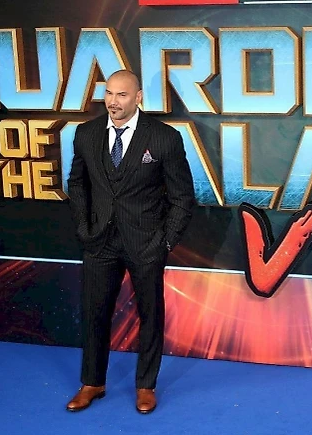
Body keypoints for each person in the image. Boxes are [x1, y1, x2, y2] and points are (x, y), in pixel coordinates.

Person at [65, 70, 195, 414]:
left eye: (121, 95)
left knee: (150, 315)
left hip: (146, 243)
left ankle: (146, 386)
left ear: (138, 97)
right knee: (94, 313)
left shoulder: (164, 138)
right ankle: (92, 382)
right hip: (99, 243)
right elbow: (77, 184)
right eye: (109, 93)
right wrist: (84, 227)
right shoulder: (86, 133)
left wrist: (166, 241)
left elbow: (182, 196)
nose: (113, 102)